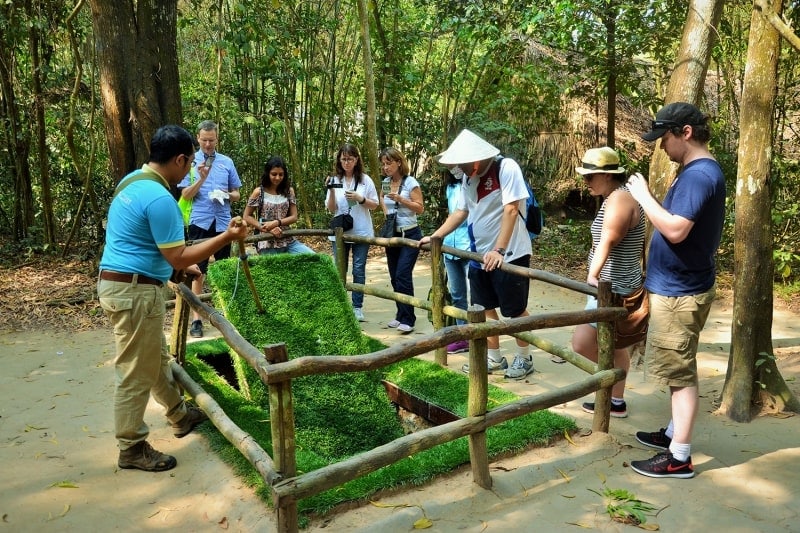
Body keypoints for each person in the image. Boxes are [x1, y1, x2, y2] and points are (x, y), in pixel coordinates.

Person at [98, 125, 249, 472]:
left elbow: (139, 242)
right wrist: (227, 234)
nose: (191, 169)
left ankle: (179, 415)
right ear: (180, 159)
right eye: (190, 162)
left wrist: (176, 269)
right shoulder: (161, 199)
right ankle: (131, 445)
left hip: (123, 284)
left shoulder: (131, 183)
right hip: (133, 291)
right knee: (136, 370)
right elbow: (179, 256)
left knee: (154, 358)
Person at [626, 102, 726, 479]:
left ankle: (678, 457)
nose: (661, 146)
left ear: (685, 132)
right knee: (679, 364)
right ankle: (672, 434)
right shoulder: (694, 171)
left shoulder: (700, 175)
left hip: (681, 291)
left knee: (679, 372)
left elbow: (675, 229)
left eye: (664, 138)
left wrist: (643, 195)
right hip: (680, 286)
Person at [420, 129, 534, 379]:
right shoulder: (468, 179)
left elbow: (512, 209)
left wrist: (499, 250)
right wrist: (436, 236)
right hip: (479, 254)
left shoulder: (506, 168)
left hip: (510, 253)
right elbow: (461, 212)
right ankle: (494, 358)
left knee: (515, 310)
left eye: (461, 161)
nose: (457, 166)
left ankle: (525, 358)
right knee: (484, 308)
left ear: (476, 159)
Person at [569, 147, 645, 418]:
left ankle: (612, 391)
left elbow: (609, 239)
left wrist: (593, 274)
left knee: (582, 343)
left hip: (612, 287)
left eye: (590, 177)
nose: (586, 182)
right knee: (613, 345)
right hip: (614, 283)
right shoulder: (616, 197)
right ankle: (616, 399)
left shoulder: (620, 199)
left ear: (607, 175)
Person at [178, 120, 242, 338]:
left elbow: (237, 193)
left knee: (223, 269)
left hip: (223, 222)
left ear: (217, 138)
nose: (208, 144)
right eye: (204, 140)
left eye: (211, 140)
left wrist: (227, 195)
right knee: (198, 271)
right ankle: (197, 320)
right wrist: (201, 179)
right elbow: (185, 194)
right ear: (197, 138)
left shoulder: (226, 162)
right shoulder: (189, 162)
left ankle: (226, 316)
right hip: (200, 221)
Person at [325, 143, 379, 322]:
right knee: (340, 269)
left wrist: (360, 198)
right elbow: (331, 208)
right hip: (340, 232)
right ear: (339, 161)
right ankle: (340, 305)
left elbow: (375, 204)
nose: (346, 162)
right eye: (343, 159)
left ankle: (357, 307)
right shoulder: (335, 179)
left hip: (361, 231)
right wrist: (331, 191)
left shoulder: (365, 180)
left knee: (358, 269)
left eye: (350, 158)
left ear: (356, 160)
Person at [379, 147, 425, 334]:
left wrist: (400, 199)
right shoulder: (386, 182)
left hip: (410, 234)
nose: (385, 167)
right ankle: (400, 315)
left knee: (402, 275)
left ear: (399, 162)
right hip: (393, 234)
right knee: (393, 275)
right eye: (383, 164)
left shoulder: (410, 182)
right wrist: (387, 214)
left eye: (389, 163)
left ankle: (409, 318)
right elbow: (382, 198)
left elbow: (420, 208)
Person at [242, 156, 314, 255]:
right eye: (274, 174)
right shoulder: (259, 192)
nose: (277, 177)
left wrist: (276, 223)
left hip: (287, 237)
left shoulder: (289, 191)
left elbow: (294, 217)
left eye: (281, 174)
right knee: (276, 267)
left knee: (312, 257)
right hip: (266, 240)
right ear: (268, 173)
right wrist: (264, 227)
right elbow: (246, 216)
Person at [439, 162, 472, 353]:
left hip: (468, 245)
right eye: (450, 166)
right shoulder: (451, 188)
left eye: (457, 165)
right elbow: (453, 214)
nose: (455, 169)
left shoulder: (473, 185)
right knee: (457, 294)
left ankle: (478, 334)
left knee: (473, 294)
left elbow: (464, 214)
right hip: (450, 246)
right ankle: (462, 335)